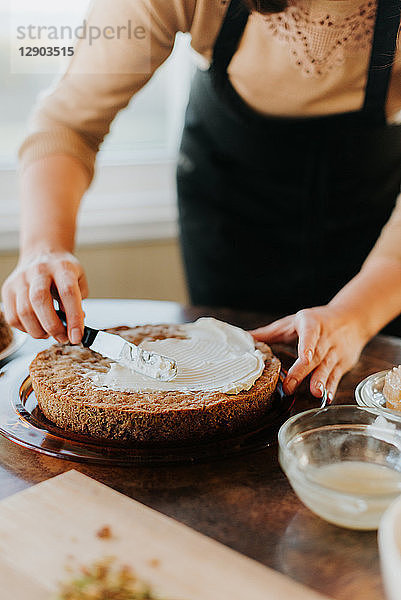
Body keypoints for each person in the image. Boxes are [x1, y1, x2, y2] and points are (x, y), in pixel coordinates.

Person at [2, 0, 401, 403]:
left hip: (380, 246)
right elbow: (68, 123)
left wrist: (355, 316)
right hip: (227, 220)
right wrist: (44, 247)